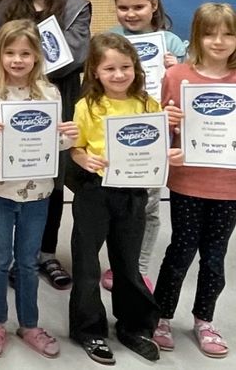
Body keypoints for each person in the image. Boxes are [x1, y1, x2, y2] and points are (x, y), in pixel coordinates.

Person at [153, 3, 236, 359]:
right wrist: (167, 121)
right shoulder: (177, 77)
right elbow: (163, 129)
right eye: (209, 32)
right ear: (196, 37)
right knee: (180, 250)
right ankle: (161, 316)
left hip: (229, 184)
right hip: (188, 181)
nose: (218, 41)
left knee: (215, 255)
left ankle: (205, 319)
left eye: (227, 33)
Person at [67, 33, 182, 365]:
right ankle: (89, 330)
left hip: (133, 194)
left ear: (136, 68)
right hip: (94, 193)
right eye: (109, 69)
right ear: (96, 72)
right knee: (87, 264)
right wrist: (81, 158)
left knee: (127, 264)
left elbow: (156, 147)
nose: (118, 75)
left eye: (125, 67)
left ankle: (133, 326)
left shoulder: (148, 105)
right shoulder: (87, 106)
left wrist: (168, 156)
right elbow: (76, 148)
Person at [0, 0, 90, 291]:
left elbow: (76, 56)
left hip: (55, 96)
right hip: (11, 99)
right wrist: (16, 69)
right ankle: (13, 254)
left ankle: (44, 252)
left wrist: (30, 65)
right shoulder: (9, 6)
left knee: (52, 173)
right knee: (12, 169)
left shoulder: (76, 6)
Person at [0, 19, 74, 359]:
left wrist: (66, 138)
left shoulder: (49, 93)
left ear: (37, 56)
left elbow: (53, 142)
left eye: (26, 53)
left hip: (38, 193)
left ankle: (29, 324)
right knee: (0, 259)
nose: (17, 60)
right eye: (10, 52)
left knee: (29, 262)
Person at [103, 0, 187, 292]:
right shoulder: (110, 39)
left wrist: (176, 68)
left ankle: (137, 266)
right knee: (119, 205)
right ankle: (115, 264)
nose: (130, 14)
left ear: (153, 5)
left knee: (149, 206)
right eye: (123, 8)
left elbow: (186, 88)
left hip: (157, 132)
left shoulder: (171, 43)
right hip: (118, 131)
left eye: (138, 7)